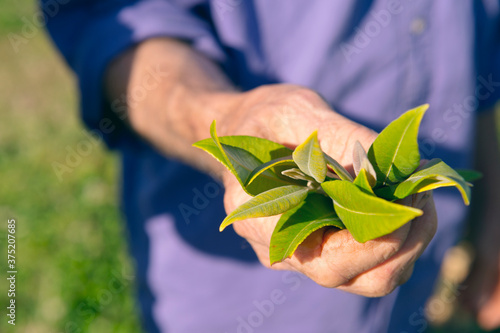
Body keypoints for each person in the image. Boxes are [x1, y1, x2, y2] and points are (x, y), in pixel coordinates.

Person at [42, 1, 500, 332]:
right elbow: (118, 26)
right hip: (245, 304)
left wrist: (492, 208)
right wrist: (221, 114)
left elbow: (478, 43)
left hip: (416, 288)